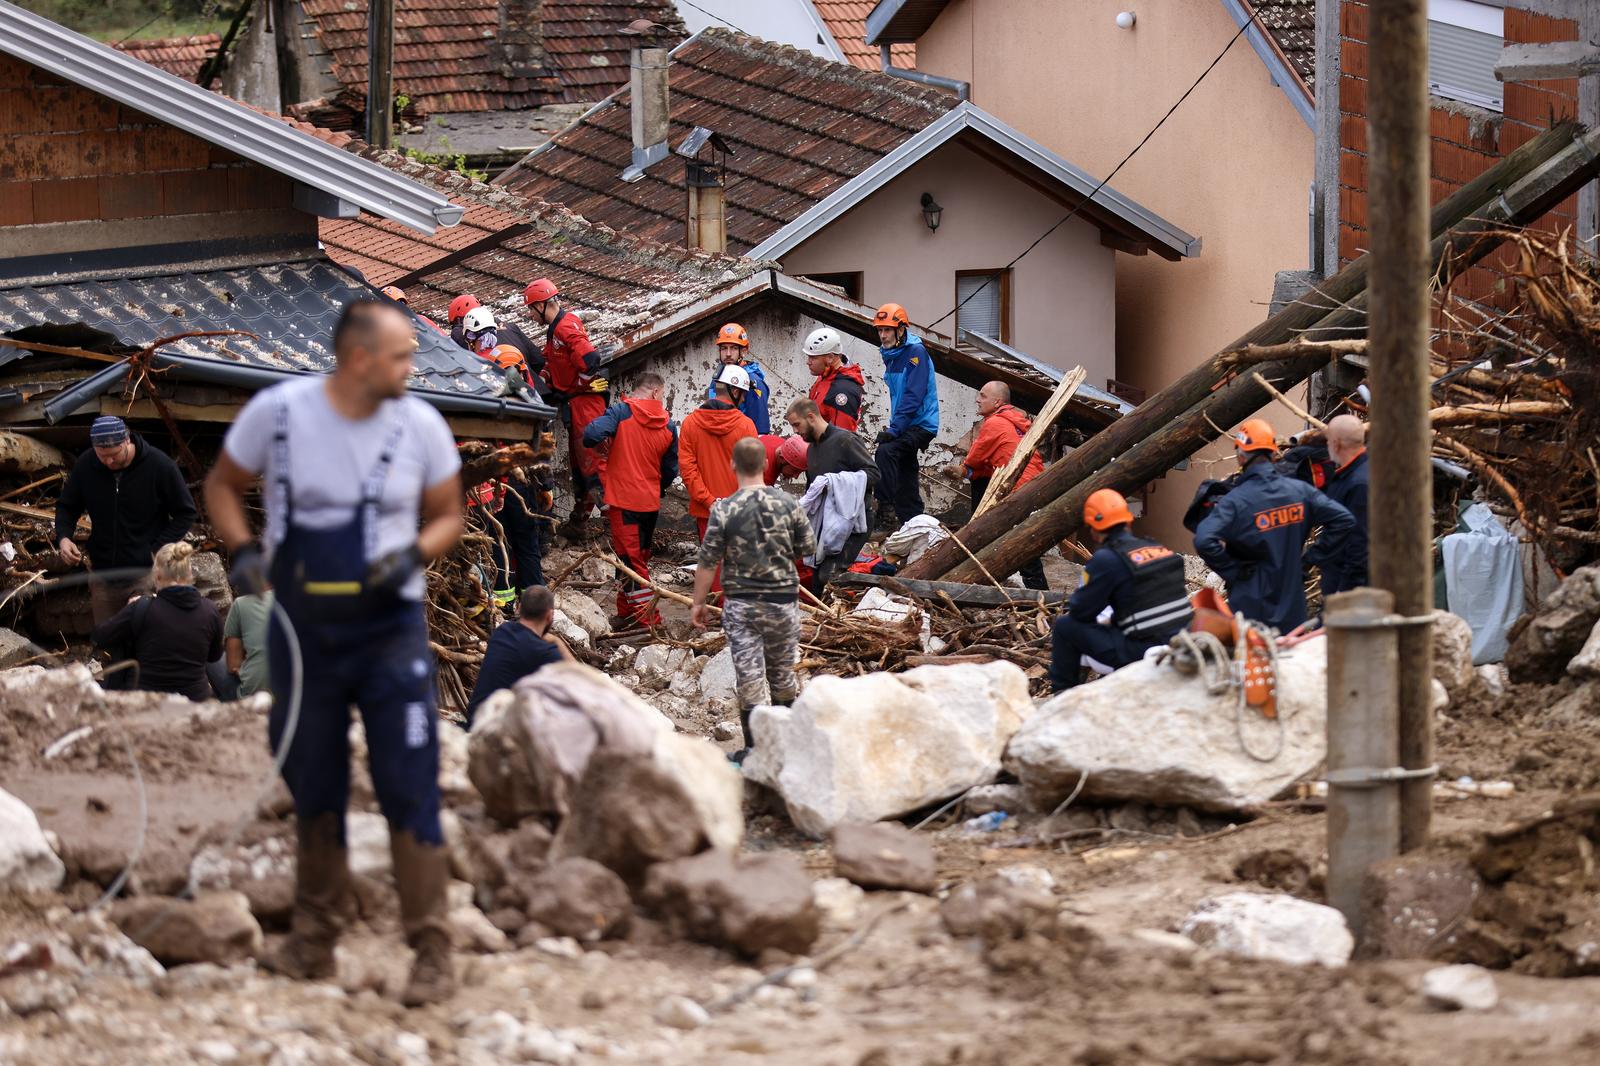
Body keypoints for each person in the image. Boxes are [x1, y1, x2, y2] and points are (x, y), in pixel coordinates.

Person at [203, 298, 465, 1007]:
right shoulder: (280, 414)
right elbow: (222, 486)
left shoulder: (422, 426)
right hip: (302, 630)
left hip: (390, 632)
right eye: (402, 355)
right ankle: (314, 941)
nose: (413, 368)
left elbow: (449, 515)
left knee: (407, 781)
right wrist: (246, 551)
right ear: (359, 359)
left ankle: (433, 950)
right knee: (313, 781)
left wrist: (410, 552)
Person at [691, 437, 816, 766]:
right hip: (783, 604)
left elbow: (707, 560)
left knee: (750, 680)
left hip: (742, 605)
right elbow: (808, 547)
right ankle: (788, 752)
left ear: (733, 466)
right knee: (783, 676)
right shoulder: (789, 505)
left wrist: (698, 602)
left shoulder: (724, 508)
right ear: (764, 465)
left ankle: (755, 753)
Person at [1193, 418, 1356, 633]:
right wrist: (1309, 560)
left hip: (1249, 606)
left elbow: (1204, 539)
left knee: (1253, 662)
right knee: (1291, 661)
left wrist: (1235, 573)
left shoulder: (1235, 501)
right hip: (1292, 604)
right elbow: (1344, 520)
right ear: (1272, 453)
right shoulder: (1300, 491)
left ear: (1241, 457)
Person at [55, 415, 198, 624]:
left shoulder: (159, 466)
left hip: (146, 574)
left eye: (114, 455)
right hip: (102, 575)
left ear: (127, 441)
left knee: (146, 637)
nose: (109, 461)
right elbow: (67, 506)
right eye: (102, 455)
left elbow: (186, 512)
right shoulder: (87, 464)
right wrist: (64, 537)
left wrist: (156, 549)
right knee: (108, 641)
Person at [1048, 490, 1193, 691]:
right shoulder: (1160, 549)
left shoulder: (1107, 559)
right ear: (1128, 521)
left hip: (1144, 651)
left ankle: (1062, 697)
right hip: (1185, 642)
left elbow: (1081, 612)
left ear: (1093, 529)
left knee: (1066, 626)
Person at [581, 373, 678, 625]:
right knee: (634, 558)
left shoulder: (621, 413)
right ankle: (626, 612)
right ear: (656, 392)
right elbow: (670, 470)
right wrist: (657, 487)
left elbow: (590, 434)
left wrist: (605, 443)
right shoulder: (668, 425)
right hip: (650, 502)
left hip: (624, 502)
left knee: (632, 563)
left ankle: (649, 622)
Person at [944, 381, 1048, 591]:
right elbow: (992, 465)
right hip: (1036, 486)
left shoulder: (993, 424)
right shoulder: (1016, 422)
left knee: (1022, 545)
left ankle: (1038, 593)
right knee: (1025, 542)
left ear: (997, 401)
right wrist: (970, 472)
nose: (977, 400)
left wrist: (962, 471)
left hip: (1019, 489)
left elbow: (973, 460)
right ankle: (1038, 590)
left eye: (982, 396)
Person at [91, 541, 223, 701]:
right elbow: (214, 656)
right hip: (194, 699)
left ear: (157, 575)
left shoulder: (142, 608)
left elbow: (100, 637)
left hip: (148, 701)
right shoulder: (210, 610)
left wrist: (130, 611)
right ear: (189, 574)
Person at [526, 278, 607, 539]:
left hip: (585, 405)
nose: (529, 314)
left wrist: (579, 386)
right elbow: (555, 361)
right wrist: (548, 376)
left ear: (540, 305)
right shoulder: (556, 329)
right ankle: (579, 522)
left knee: (593, 467)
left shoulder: (565, 328)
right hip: (576, 405)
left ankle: (612, 528)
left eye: (530, 308)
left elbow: (590, 360)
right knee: (580, 468)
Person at [785, 398, 879, 592]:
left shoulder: (846, 440)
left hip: (853, 521)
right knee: (816, 579)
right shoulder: (811, 450)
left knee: (828, 575)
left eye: (796, 424)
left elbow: (874, 474)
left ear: (810, 417)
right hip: (825, 523)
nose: (795, 431)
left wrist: (836, 482)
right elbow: (813, 491)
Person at [871, 303, 939, 529]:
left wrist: (894, 430)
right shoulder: (892, 354)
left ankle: (886, 511)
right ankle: (911, 517)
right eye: (880, 330)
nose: (882, 335)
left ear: (901, 330)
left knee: (887, 452)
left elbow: (913, 396)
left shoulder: (915, 353)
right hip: (906, 423)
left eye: (887, 330)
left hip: (921, 424)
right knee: (904, 465)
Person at [679, 365, 759, 559]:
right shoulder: (746, 425)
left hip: (706, 512)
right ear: (735, 390)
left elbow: (688, 471)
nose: (742, 400)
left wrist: (710, 502)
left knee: (712, 568)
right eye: (742, 395)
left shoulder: (690, 423)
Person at [465, 585, 571, 725]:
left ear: (519, 608)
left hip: (475, 723)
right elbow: (581, 682)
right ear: (549, 615)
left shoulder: (502, 632)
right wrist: (558, 642)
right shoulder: (544, 653)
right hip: (496, 737)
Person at [1319, 414, 1369, 598]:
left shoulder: (1358, 484)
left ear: (1336, 443)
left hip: (1350, 593)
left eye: (1328, 441)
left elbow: (1360, 544)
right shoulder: (1355, 474)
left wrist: (1345, 593)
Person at [705, 323, 771, 433]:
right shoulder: (717, 378)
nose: (728, 354)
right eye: (724, 348)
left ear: (744, 351)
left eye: (734, 348)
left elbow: (760, 429)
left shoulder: (753, 382)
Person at [802, 327, 865, 431]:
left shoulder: (842, 391)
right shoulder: (825, 376)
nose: (808, 362)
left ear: (830, 358)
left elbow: (842, 438)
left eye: (813, 358)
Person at [223, 587, 275, 699]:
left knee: (214, 660)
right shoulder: (299, 599)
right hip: (298, 692)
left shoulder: (241, 603)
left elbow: (233, 666)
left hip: (255, 696)